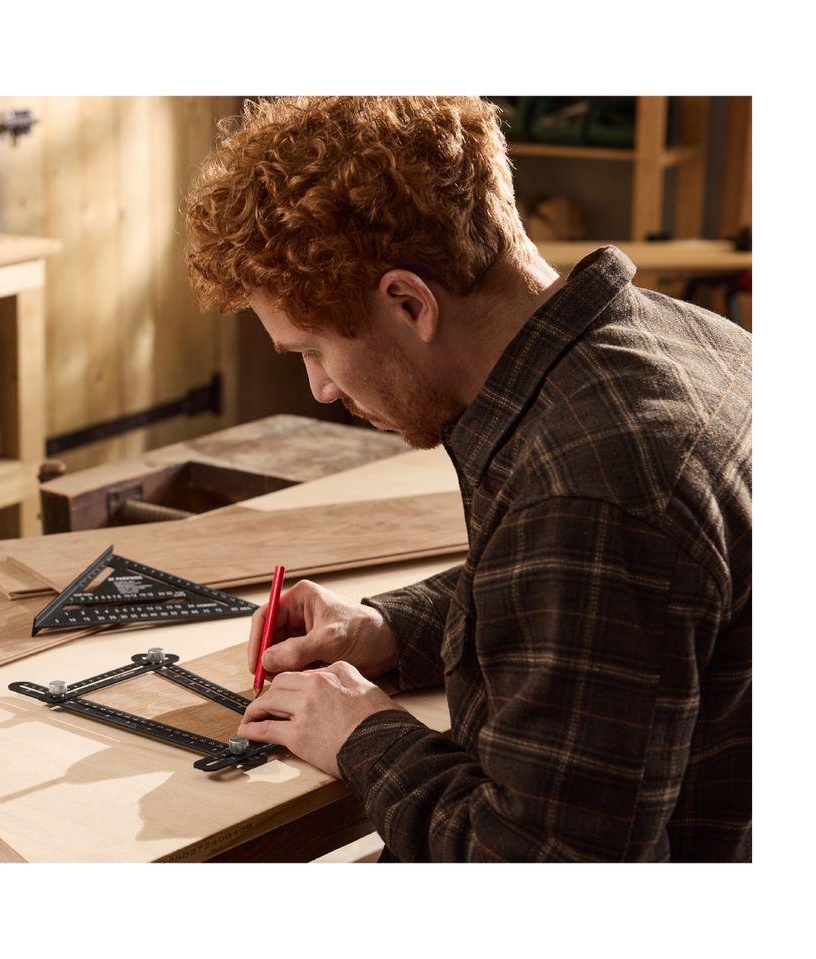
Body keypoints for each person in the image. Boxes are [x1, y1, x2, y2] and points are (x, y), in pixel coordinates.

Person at [182, 96, 751, 862]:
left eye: (314, 349)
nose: (319, 387)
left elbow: (538, 870)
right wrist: (388, 631)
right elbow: (585, 598)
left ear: (410, 302)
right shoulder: (688, 338)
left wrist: (361, 734)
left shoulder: (590, 485)